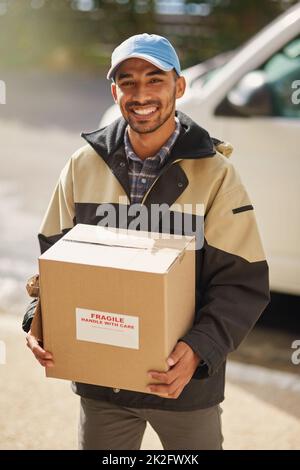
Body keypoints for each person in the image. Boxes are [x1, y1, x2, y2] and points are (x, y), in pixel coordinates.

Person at [23, 33, 270, 450]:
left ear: (179, 86)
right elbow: (54, 262)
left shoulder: (216, 175)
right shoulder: (82, 166)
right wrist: (38, 319)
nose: (141, 94)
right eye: (128, 81)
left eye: (155, 79)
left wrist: (197, 351)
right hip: (102, 386)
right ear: (114, 90)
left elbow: (241, 283)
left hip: (184, 388)